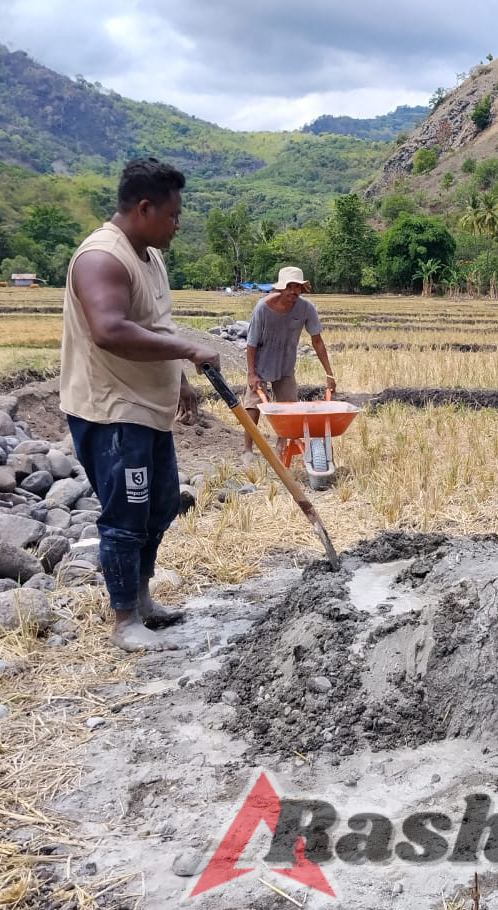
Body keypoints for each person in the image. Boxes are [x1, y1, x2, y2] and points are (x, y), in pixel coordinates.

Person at [60, 157, 221, 653]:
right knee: (126, 515)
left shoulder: (150, 254)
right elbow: (109, 330)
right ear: (145, 207)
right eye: (172, 216)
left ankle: (144, 599)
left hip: (147, 407)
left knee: (162, 505)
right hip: (113, 412)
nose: (177, 225)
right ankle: (124, 619)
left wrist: (179, 380)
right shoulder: (102, 258)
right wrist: (188, 350)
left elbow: (155, 325)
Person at [242, 266, 336, 456]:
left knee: (289, 409)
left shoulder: (306, 308)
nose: (293, 291)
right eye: (289, 286)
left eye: (297, 287)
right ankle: (247, 450)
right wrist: (251, 374)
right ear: (281, 288)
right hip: (261, 363)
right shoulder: (262, 308)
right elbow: (251, 344)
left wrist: (329, 373)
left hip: (286, 365)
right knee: (253, 405)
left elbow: (317, 340)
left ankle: (282, 445)